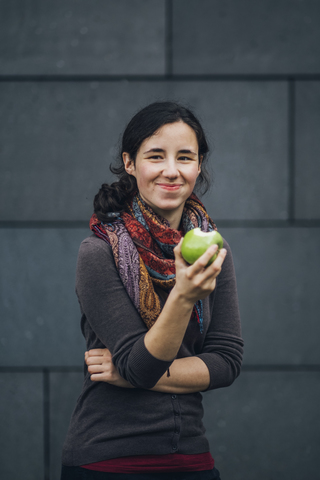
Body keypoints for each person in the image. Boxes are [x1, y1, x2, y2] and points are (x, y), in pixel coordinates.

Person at [61, 102, 244, 480]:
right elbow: (141, 364)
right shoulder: (99, 252)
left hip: (192, 460)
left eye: (185, 157)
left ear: (199, 164)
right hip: (108, 461)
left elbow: (226, 362)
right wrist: (184, 296)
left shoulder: (213, 251)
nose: (172, 171)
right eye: (156, 156)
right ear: (130, 163)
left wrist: (129, 373)